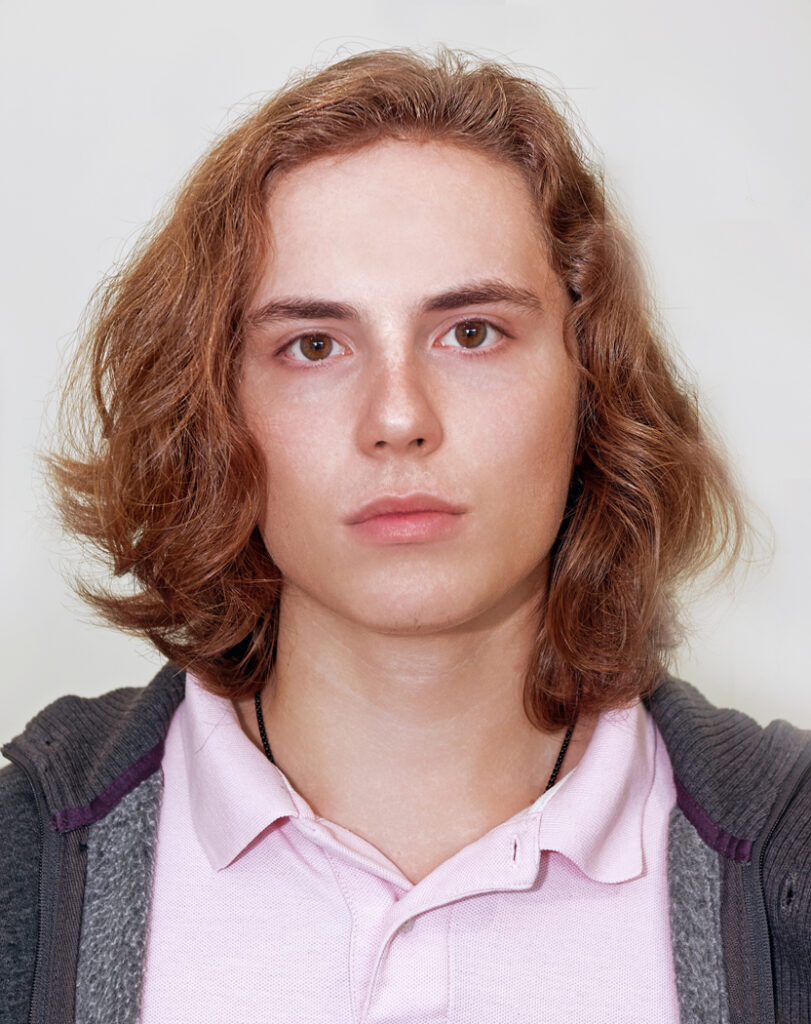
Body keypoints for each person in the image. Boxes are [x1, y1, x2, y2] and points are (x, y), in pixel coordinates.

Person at [1, 44, 809, 1024]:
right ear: (212, 412)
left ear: (591, 385)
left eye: (471, 332)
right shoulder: (25, 860)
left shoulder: (788, 857)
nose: (397, 417)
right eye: (312, 345)